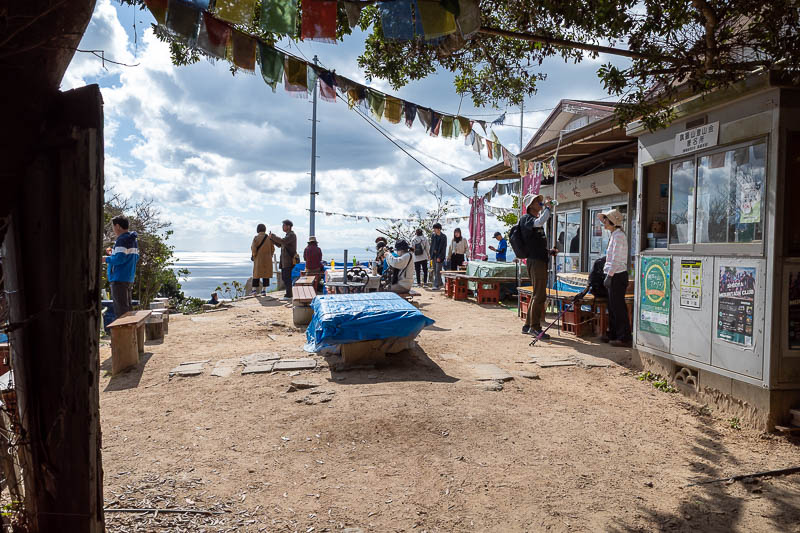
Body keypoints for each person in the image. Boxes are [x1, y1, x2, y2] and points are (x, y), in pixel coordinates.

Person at [519, 194, 557, 338]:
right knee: (540, 294)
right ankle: (535, 327)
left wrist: (549, 252)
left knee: (537, 294)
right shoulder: (527, 219)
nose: (540, 203)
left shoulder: (532, 220)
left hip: (539, 259)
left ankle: (528, 325)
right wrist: (548, 207)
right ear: (530, 206)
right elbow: (540, 222)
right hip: (536, 261)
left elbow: (535, 244)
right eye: (537, 201)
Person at [600, 209, 632, 347]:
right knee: (612, 306)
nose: (604, 222)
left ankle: (623, 336)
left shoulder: (618, 236)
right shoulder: (615, 235)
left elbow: (616, 259)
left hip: (617, 275)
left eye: (606, 219)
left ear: (613, 222)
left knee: (618, 307)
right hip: (614, 274)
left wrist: (609, 275)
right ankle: (613, 333)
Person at [104, 215, 140, 318]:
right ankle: (131, 333)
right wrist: (113, 254)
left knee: (121, 313)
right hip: (128, 278)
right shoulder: (132, 240)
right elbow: (134, 257)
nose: (113, 229)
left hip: (119, 279)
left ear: (118, 226)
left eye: (113, 227)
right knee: (127, 309)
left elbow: (119, 259)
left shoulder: (121, 240)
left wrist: (105, 259)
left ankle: (124, 334)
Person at [270, 220, 298, 301]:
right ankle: (288, 294)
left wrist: (273, 236)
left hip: (288, 261)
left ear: (288, 226)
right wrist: (272, 240)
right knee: (285, 278)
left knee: (287, 278)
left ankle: (289, 295)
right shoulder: (288, 235)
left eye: (284, 225)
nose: (282, 227)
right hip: (285, 261)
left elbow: (283, 241)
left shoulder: (292, 235)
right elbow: (280, 244)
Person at [251, 223, 275, 296]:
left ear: (258, 229)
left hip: (258, 259)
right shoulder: (268, 238)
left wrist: (254, 256)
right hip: (267, 259)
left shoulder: (256, 238)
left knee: (256, 274)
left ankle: (254, 290)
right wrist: (269, 256)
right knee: (266, 275)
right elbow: (273, 249)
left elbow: (254, 249)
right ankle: (264, 290)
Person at [429, 223, 447, 290]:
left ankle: (436, 285)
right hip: (434, 255)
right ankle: (440, 283)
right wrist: (430, 255)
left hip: (440, 256)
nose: (434, 230)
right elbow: (432, 246)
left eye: (435, 229)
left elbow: (444, 248)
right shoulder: (433, 236)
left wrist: (440, 257)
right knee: (435, 270)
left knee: (438, 271)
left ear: (439, 229)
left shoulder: (444, 236)